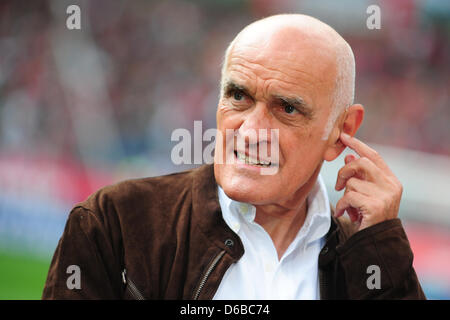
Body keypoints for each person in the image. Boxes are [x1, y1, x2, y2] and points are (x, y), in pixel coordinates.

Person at [42, 14, 425, 300]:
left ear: (342, 131)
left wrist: (380, 250)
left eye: (287, 109)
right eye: (239, 96)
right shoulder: (114, 223)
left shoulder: (368, 259)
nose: (251, 131)